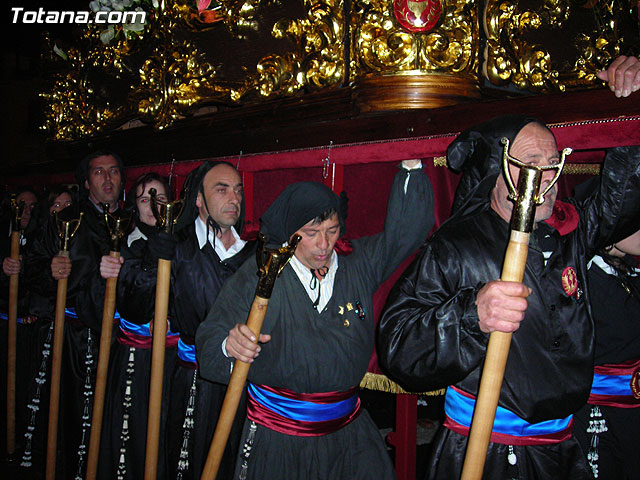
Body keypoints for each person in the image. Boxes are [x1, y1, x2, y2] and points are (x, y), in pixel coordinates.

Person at [377, 115, 640, 479]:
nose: (546, 176)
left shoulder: (571, 231)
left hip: (562, 450)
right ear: (495, 170)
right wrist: (472, 316)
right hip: (486, 450)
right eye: (530, 163)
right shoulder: (458, 246)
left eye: (552, 164)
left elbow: (622, 201)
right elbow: (400, 347)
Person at [195, 159, 435, 480]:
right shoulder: (260, 275)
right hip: (278, 440)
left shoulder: (357, 263)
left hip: (348, 435)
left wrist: (411, 164)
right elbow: (210, 341)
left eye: (332, 231)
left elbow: (406, 233)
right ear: (289, 233)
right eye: (311, 233)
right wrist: (229, 345)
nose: (324, 245)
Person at [25, 151, 126, 479]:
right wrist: (50, 269)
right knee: (66, 420)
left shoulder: (131, 221)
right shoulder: (66, 219)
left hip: (118, 340)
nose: (108, 179)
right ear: (86, 182)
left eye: (113, 171)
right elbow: (32, 266)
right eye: (99, 172)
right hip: (72, 340)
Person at [164, 160, 255, 480]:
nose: (234, 198)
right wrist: (148, 265)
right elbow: (139, 302)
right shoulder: (177, 248)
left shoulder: (254, 254)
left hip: (244, 379)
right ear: (198, 199)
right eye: (222, 189)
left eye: (238, 190)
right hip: (194, 380)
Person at [97, 172, 179, 480]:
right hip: (139, 359)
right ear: (135, 205)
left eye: (160, 198)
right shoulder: (127, 246)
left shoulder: (184, 243)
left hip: (175, 361)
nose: (153, 205)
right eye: (145, 199)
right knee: (134, 435)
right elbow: (132, 302)